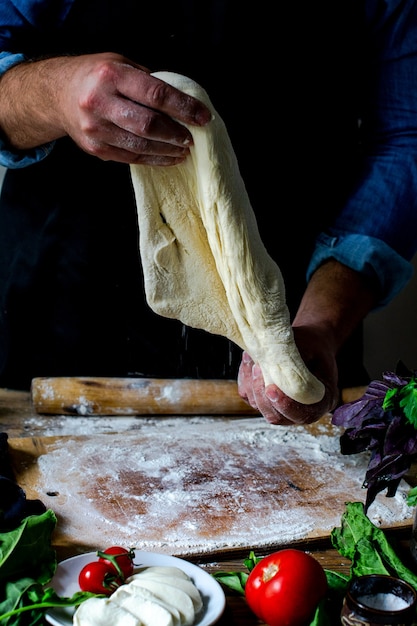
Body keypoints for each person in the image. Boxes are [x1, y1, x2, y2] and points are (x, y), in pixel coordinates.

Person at [0, 0, 416, 426]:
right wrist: (53, 93)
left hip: (300, 321)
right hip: (60, 316)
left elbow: (406, 138)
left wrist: (323, 321)